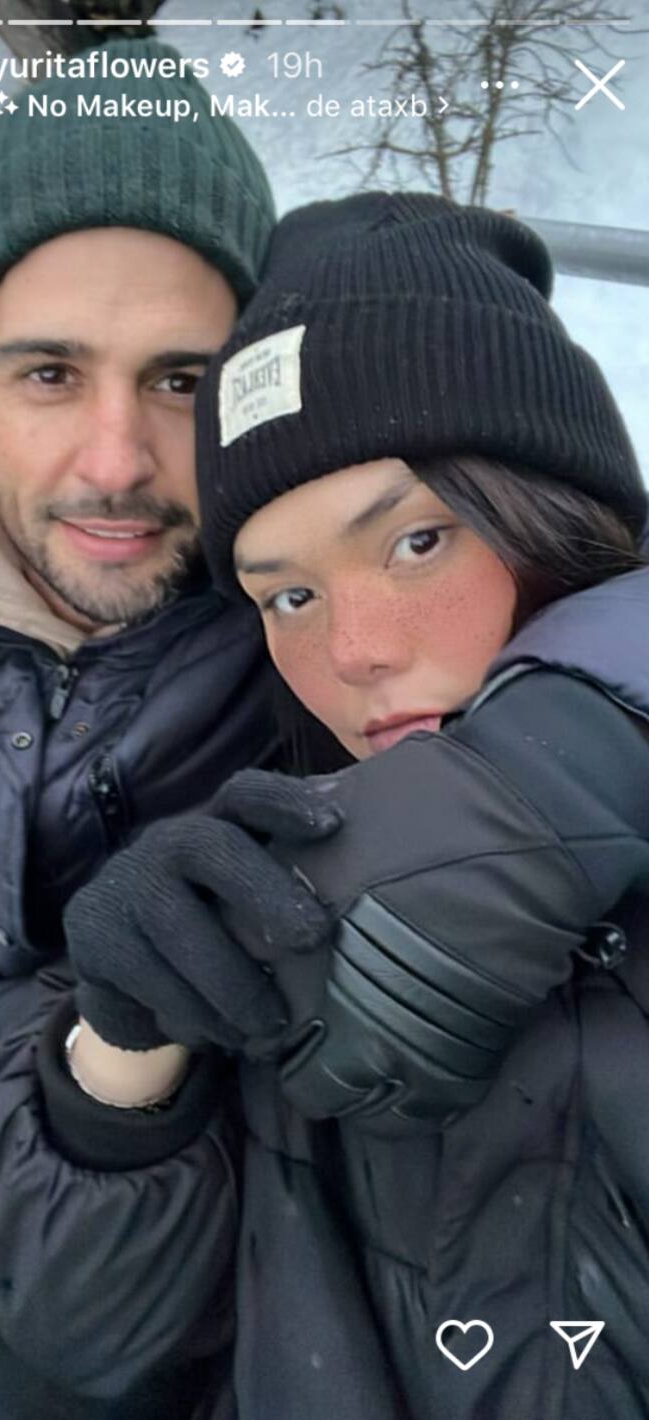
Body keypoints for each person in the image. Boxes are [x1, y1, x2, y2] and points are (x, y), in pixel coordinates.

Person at [58, 193, 649, 1419]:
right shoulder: (287, 895)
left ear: (554, 509)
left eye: (416, 541)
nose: (352, 652)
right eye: (286, 597)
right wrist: (124, 1058)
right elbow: (87, 1334)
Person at [0, 37, 276, 1416]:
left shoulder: (309, 611)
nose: (113, 462)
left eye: (181, 381)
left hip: (168, 1242)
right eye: (47, 374)